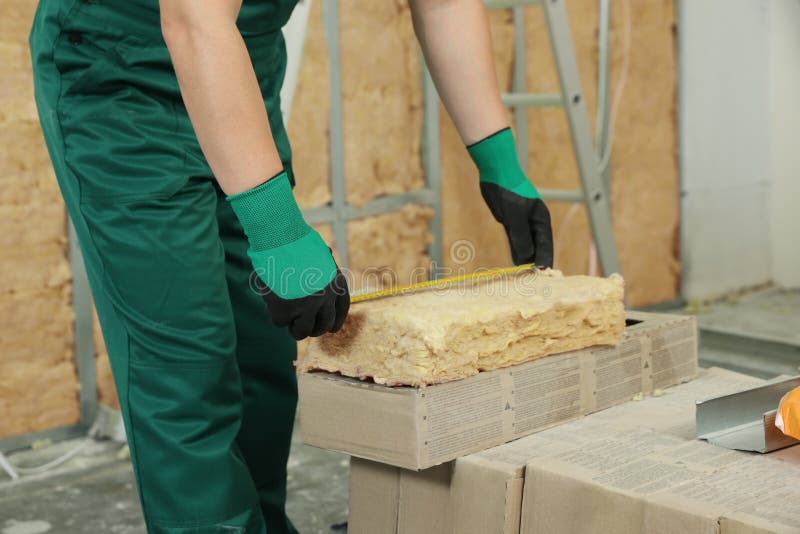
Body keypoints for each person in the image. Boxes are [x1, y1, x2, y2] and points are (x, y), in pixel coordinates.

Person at [29, 0, 553, 532]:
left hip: (239, 76)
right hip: (120, 81)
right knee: (187, 368)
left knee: (262, 352)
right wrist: (277, 232)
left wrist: (498, 160)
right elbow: (193, 19)